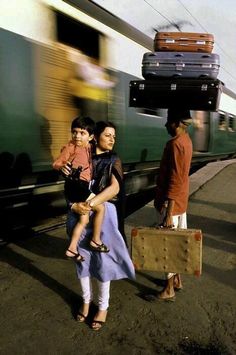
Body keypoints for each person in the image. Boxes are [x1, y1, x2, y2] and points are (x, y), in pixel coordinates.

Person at [67, 121, 135, 330]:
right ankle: (86, 301)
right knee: (83, 262)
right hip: (80, 214)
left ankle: (103, 306)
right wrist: (73, 206)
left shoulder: (113, 160)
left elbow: (114, 188)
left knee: (103, 264)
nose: (112, 139)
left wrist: (89, 204)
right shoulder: (80, 157)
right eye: (107, 135)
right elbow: (69, 188)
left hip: (103, 217)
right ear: (95, 137)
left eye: (114, 136)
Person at [53, 116, 109, 263]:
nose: (77, 136)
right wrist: (62, 167)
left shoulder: (91, 147)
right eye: (74, 132)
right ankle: (96, 240)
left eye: (82, 133)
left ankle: (72, 249)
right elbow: (57, 163)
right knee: (100, 208)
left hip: (82, 186)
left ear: (90, 136)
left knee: (83, 219)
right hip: (75, 185)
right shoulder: (71, 147)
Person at [154, 108, 193, 301]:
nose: (165, 125)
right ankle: (177, 280)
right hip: (181, 201)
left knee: (167, 246)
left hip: (172, 204)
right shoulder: (186, 140)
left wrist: (168, 212)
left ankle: (168, 289)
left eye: (168, 121)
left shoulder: (176, 144)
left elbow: (175, 179)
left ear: (176, 123)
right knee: (177, 242)